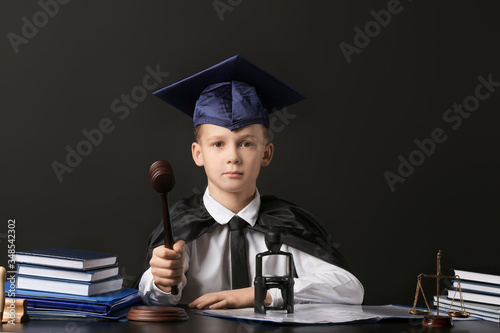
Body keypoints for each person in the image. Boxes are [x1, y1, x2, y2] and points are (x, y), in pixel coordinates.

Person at [138, 55, 364, 309]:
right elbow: (153, 294)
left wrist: (260, 293)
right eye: (218, 144)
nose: (233, 157)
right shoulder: (183, 225)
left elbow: (349, 289)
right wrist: (163, 280)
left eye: (246, 143)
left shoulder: (288, 222)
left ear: (266, 153)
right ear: (197, 153)